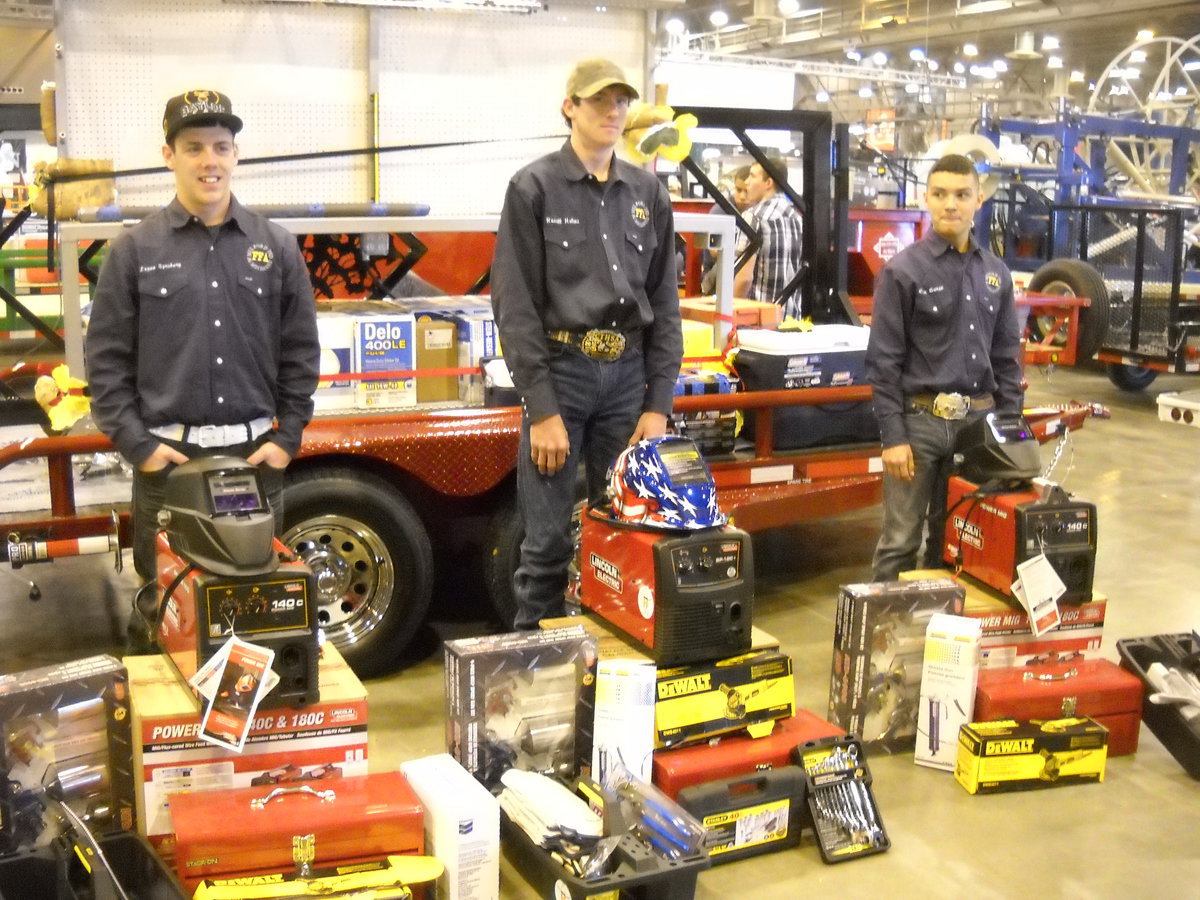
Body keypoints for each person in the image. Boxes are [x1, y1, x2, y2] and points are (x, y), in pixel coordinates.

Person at [86, 89, 320, 582]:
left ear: (235, 154)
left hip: (255, 459)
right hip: (168, 464)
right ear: (169, 156)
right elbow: (105, 363)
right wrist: (138, 446)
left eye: (220, 146)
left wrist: (288, 437)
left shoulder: (275, 246)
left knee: (252, 607)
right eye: (193, 147)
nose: (208, 161)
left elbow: (300, 353)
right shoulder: (132, 250)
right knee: (164, 610)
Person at [491, 58, 683, 630]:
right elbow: (515, 304)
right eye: (600, 100)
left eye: (621, 100)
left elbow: (664, 303)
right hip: (562, 375)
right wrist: (542, 409)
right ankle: (535, 668)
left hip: (627, 377)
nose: (613, 110)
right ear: (569, 107)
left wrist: (659, 404)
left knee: (625, 536)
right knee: (546, 546)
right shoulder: (533, 187)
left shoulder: (648, 192)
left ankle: (611, 660)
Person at [865, 153, 1023, 581]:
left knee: (956, 538)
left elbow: (1008, 359)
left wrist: (1010, 430)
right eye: (940, 194)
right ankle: (883, 642)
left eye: (961, 194)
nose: (950, 204)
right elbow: (883, 363)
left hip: (978, 425)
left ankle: (939, 640)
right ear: (926, 199)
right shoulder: (902, 271)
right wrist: (893, 437)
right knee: (900, 540)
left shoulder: (996, 274)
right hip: (920, 427)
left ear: (979, 200)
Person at [734, 156, 804, 318]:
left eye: (752, 176)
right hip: (792, 319)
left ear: (768, 183)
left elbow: (744, 278)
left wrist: (728, 318)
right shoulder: (798, 219)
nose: (746, 182)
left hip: (759, 322)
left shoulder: (753, 217)